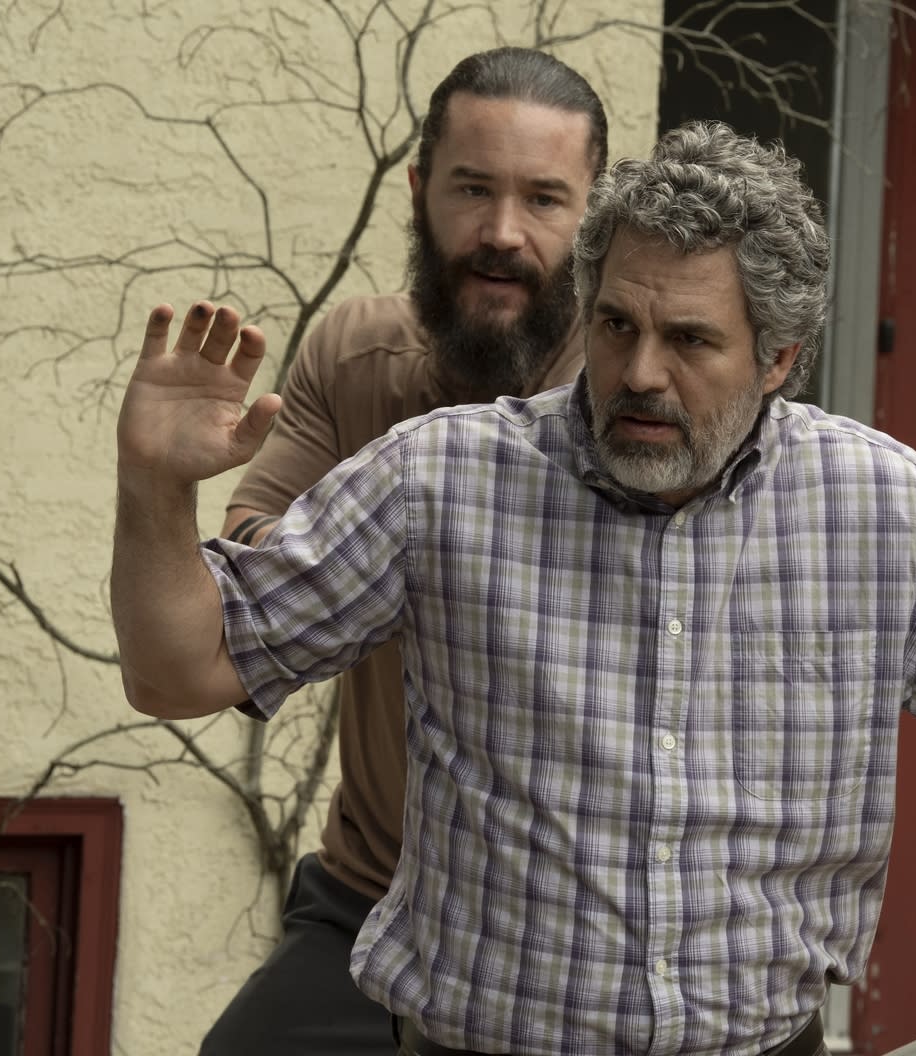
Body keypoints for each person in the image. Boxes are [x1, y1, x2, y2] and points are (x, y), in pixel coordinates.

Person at [111, 122, 916, 1055]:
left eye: (691, 341)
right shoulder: (441, 480)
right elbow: (181, 669)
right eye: (618, 325)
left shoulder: (880, 506)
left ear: (779, 359)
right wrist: (156, 487)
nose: (638, 374)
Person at [197, 47, 608, 1054]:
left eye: (543, 199)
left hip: (571, 933)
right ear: (420, 190)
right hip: (375, 896)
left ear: (594, 216)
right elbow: (250, 561)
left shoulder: (634, 401)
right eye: (472, 188)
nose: (502, 232)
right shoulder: (356, 356)